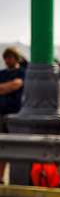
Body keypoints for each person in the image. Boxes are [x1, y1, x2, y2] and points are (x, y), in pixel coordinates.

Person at [0, 47, 26, 183]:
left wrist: (5, 87)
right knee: (2, 145)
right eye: (5, 58)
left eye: (9, 58)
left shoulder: (21, 72)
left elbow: (16, 85)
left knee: (14, 145)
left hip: (15, 112)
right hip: (1, 112)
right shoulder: (2, 73)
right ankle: (1, 176)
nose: (7, 61)